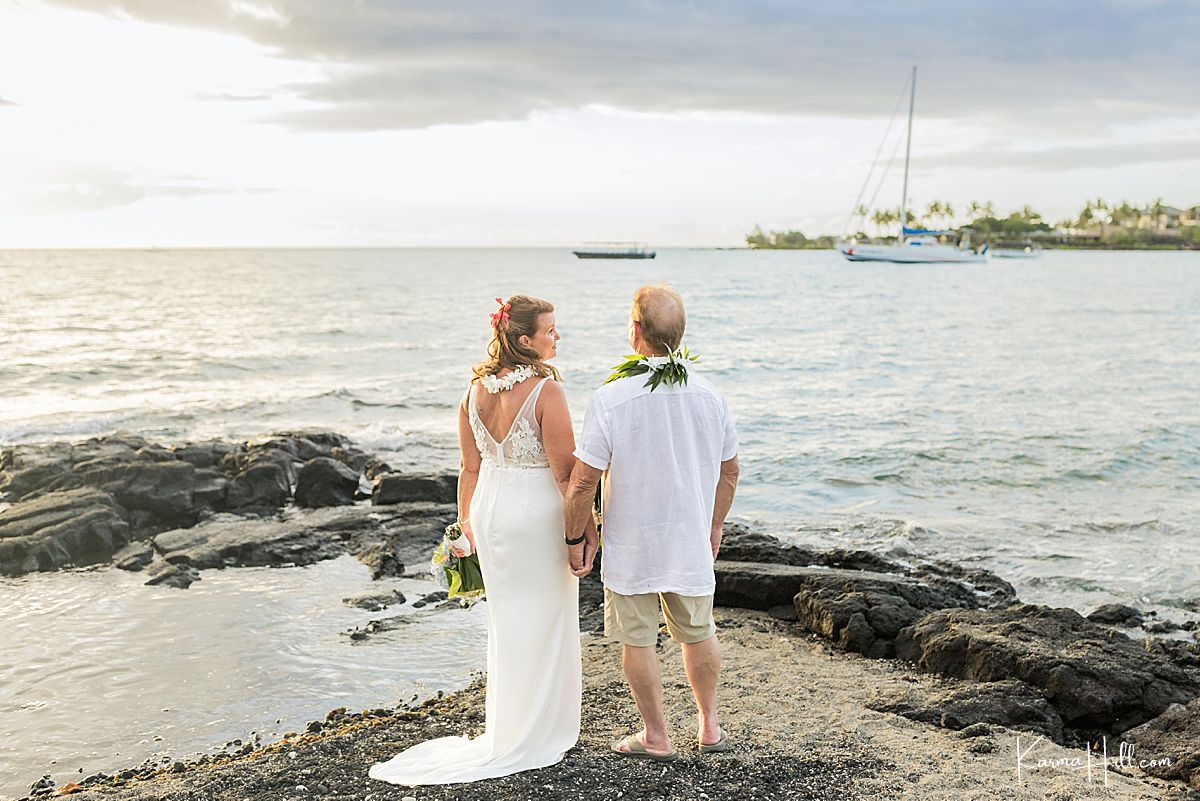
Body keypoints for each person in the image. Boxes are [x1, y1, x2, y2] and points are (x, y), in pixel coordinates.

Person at [369, 294, 592, 785]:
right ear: (524, 339)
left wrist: (464, 525)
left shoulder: (473, 392)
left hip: (490, 511)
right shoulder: (545, 392)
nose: (557, 338)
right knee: (547, 619)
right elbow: (565, 475)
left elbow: (469, 468)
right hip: (535, 515)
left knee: (510, 622)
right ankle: (536, 731)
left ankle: (509, 727)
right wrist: (586, 530)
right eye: (551, 330)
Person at [563, 284, 740, 761]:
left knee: (637, 639)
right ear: (680, 335)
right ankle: (709, 727)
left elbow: (583, 482)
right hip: (688, 537)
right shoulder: (711, 395)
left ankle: (656, 735)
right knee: (699, 630)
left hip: (632, 541)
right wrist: (716, 525)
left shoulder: (611, 397)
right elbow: (731, 469)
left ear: (635, 330)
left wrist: (575, 535)